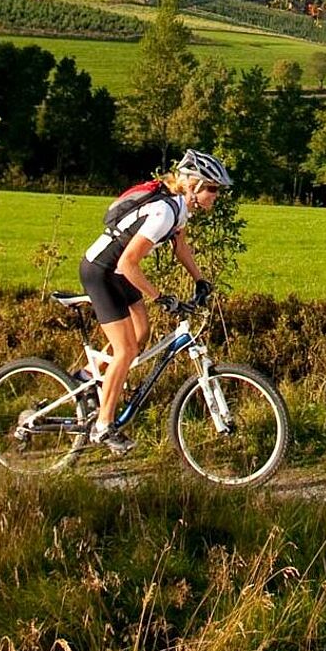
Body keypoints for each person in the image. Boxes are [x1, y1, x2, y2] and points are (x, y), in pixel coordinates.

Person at [78, 148, 229, 454]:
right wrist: (161, 298)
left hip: (117, 271)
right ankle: (103, 426)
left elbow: (181, 249)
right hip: (101, 271)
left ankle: (87, 380)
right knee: (126, 349)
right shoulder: (164, 212)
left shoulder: (179, 209)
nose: (216, 195)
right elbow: (129, 263)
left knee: (141, 332)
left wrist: (201, 280)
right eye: (212, 188)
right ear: (194, 186)